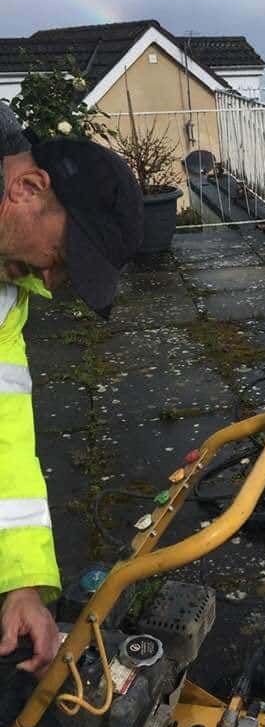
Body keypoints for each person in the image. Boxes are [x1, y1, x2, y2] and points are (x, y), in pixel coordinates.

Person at [0, 103, 143, 673]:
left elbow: (7, 444)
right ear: (27, 188)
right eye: (61, 256)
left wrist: (23, 584)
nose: (50, 279)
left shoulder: (6, 299)